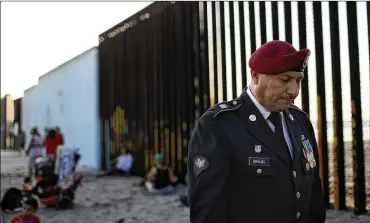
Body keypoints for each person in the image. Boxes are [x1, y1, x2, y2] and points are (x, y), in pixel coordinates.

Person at [187, 40, 326, 223]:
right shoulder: (219, 124)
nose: (293, 91)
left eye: (298, 80)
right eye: (284, 80)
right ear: (255, 76)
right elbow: (208, 209)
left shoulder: (300, 121)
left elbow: (313, 192)